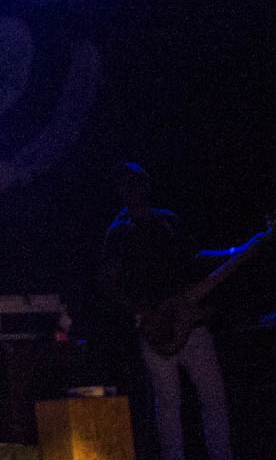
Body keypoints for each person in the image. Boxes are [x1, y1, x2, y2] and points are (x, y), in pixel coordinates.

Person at [99, 162, 235, 460]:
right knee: (169, 402)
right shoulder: (119, 232)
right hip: (155, 328)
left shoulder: (168, 220)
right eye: (130, 183)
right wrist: (143, 314)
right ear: (121, 190)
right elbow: (108, 282)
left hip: (190, 320)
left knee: (213, 398)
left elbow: (195, 259)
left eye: (141, 181)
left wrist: (236, 252)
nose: (138, 188)